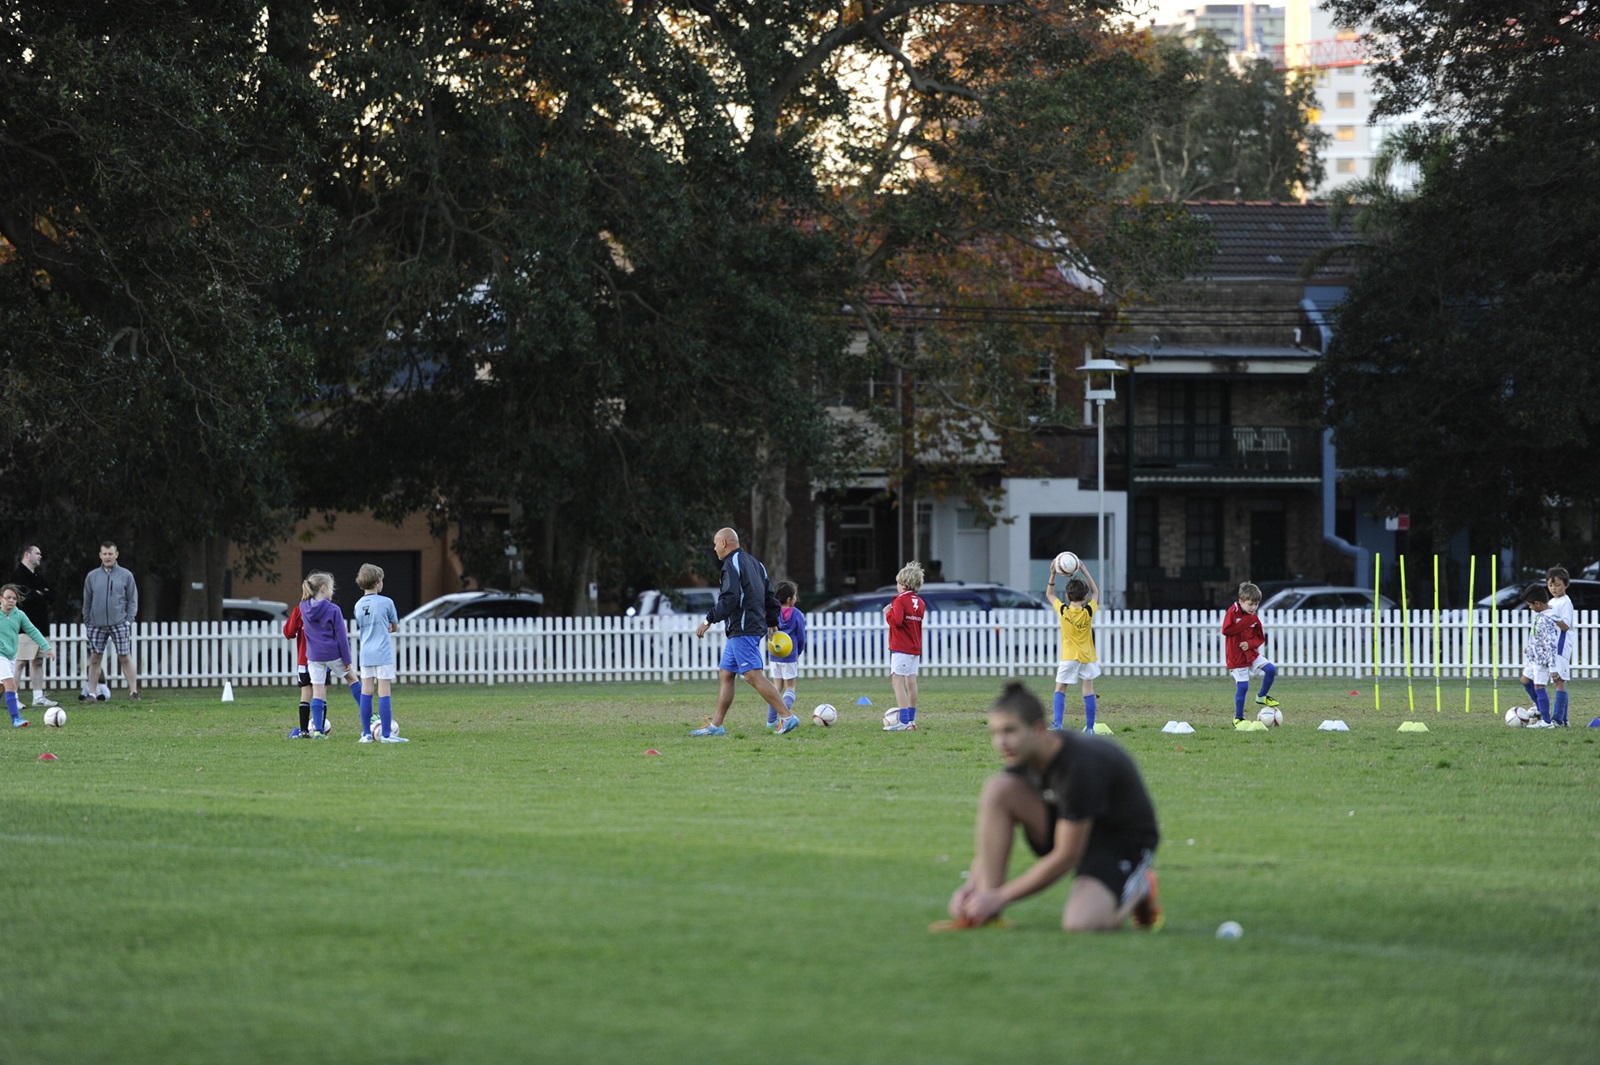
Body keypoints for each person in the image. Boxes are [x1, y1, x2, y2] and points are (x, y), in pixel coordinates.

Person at [938, 682, 1161, 932]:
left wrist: (1001, 896)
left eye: (1010, 731)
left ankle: (1140, 887)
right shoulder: (1022, 756)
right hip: (1072, 827)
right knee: (998, 788)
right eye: (995, 733)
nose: (1001, 742)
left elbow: (1067, 856)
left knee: (1081, 924)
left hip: (1119, 843)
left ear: (1039, 729)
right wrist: (973, 888)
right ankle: (986, 913)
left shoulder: (1079, 766)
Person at [691, 528, 799, 736]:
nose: (714, 548)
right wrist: (771, 620)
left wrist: (708, 619)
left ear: (724, 543)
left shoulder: (731, 565)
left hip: (743, 627)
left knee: (751, 675)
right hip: (745, 627)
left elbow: (729, 599)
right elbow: (769, 596)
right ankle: (716, 726)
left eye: (715, 544)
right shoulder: (756, 564)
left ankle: (787, 717)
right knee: (726, 673)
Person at [284, 590, 363, 738]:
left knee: (307, 693)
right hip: (327, 654)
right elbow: (337, 633)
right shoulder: (331, 609)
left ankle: (305, 730)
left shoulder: (300, 609)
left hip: (306, 658)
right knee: (322, 692)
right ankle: (367, 715)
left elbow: (288, 632)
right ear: (323, 588)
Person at [299, 571, 356, 738]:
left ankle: (318, 731)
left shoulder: (303, 607)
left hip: (314, 656)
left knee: (317, 692)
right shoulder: (334, 609)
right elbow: (341, 637)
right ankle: (369, 717)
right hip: (333, 653)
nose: (333, 592)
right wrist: (347, 659)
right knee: (353, 679)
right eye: (332, 588)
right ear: (323, 588)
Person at [81, 541, 140, 702]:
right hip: (96, 624)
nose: (107, 557)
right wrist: (88, 621)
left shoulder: (126, 575)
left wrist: (128, 621)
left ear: (116, 554)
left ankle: (133, 692)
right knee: (95, 658)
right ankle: (92, 693)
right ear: (100, 555)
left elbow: (132, 600)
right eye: (104, 554)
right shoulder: (92, 576)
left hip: (119, 623)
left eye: (110, 554)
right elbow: (87, 601)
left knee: (125, 657)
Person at [354, 563, 405, 743]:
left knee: (366, 692)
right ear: (377, 583)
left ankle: (366, 733)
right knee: (384, 691)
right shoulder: (386, 602)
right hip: (382, 652)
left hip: (365, 653)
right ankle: (386, 734)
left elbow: (363, 626)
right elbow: (394, 626)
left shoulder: (358, 605)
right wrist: (389, 626)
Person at [1046, 566, 1100, 732]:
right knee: (1088, 691)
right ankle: (1090, 728)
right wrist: (1085, 570)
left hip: (1069, 657)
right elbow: (1096, 592)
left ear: (1068, 596)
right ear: (1085, 597)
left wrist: (1053, 573)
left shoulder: (1063, 611)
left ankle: (1057, 724)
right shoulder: (1088, 611)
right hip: (1087, 657)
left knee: (1060, 688)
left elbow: (1049, 594)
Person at [1220, 581, 1277, 723]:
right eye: (1250, 604)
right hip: (1236, 657)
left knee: (1271, 669)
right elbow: (1226, 631)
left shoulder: (1253, 617)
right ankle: (1238, 719)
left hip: (1251, 653)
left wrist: (1250, 644)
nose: (1254, 608)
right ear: (1241, 601)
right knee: (1243, 686)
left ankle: (1262, 696)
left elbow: (1259, 637)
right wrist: (1246, 622)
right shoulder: (1232, 612)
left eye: (1256, 604)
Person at [1, 584, 56, 728]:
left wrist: (47, 648)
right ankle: (16, 719)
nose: (11, 601)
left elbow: (32, 631)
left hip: (10, 656)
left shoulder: (19, 615)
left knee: (2, 687)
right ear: (1, 599)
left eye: (14, 598)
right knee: (10, 684)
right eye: (8, 598)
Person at [882, 560, 927, 731]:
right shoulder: (920, 602)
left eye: (898, 583)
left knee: (897, 682)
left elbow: (897, 621)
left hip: (901, 646)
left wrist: (888, 613)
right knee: (911, 682)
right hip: (915, 647)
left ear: (903, 584)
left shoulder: (900, 601)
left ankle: (903, 721)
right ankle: (912, 720)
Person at [11, 544, 57, 708]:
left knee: (38, 661)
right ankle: (13, 698)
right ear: (27, 555)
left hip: (41, 626)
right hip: (25, 627)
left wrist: (40, 594)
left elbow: (52, 594)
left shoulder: (38, 577)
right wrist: (39, 595)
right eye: (37, 553)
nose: (40, 556)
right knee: (21, 662)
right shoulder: (18, 575)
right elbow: (25, 597)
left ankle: (38, 697)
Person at [766, 580, 807, 729]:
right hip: (789, 656)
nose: (796, 598)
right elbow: (801, 636)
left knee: (776, 688)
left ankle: (771, 722)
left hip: (774, 655)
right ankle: (785, 718)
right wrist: (799, 651)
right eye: (795, 596)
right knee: (790, 687)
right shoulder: (796, 614)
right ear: (789, 599)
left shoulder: (772, 613)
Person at [1520, 584, 1561, 729]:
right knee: (1525, 680)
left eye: (1530, 605)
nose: (1530, 608)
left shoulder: (1546, 620)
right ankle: (1541, 708)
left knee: (1539, 686)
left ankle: (1546, 722)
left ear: (1537, 603)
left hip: (1542, 661)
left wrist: (1553, 668)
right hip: (1534, 657)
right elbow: (1538, 637)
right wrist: (1530, 648)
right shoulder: (1542, 615)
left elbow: (1550, 644)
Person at [1544, 566, 1575, 727]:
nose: (1554, 588)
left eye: (1557, 584)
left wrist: (1552, 616)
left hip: (1561, 646)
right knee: (1557, 682)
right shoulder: (1551, 602)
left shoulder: (1565, 603)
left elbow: (1565, 626)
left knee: (1559, 681)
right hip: (1552, 647)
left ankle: (1557, 719)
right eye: (1550, 585)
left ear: (1566, 584)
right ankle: (1564, 719)